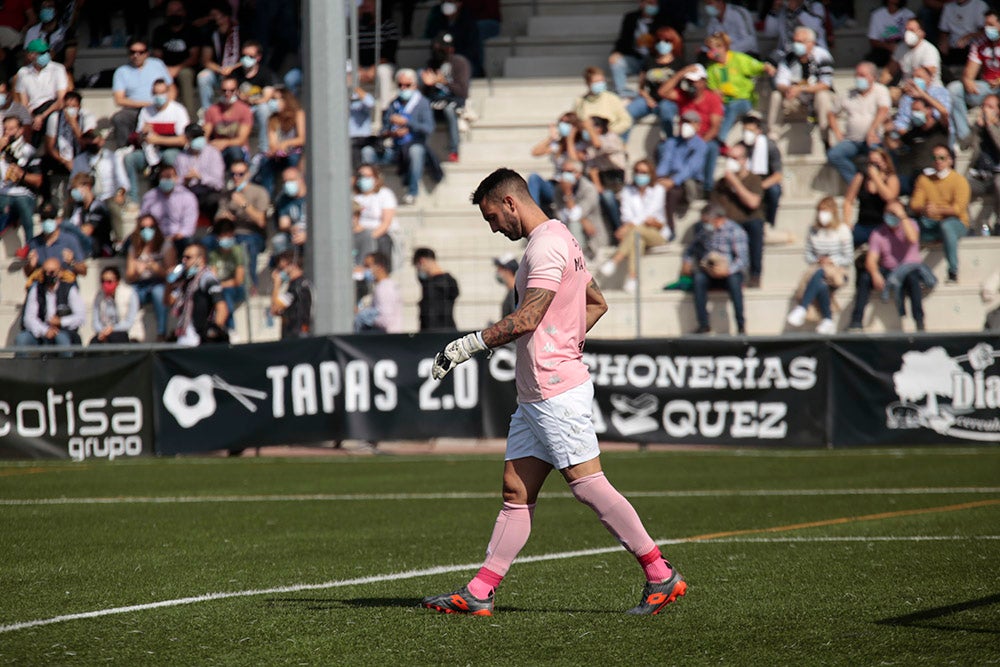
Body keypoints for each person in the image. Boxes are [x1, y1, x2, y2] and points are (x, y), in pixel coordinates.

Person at [421, 167, 685, 617]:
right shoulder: (562, 236)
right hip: (538, 394)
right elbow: (595, 301)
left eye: (492, 216)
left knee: (588, 486)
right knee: (516, 491)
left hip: (552, 389)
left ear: (510, 202)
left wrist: (467, 345)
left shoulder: (543, 246)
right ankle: (480, 592)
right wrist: (566, 339)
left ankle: (660, 573)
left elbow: (526, 319)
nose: (493, 226)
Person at [361, 68, 443, 206]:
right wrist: (391, 132)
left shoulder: (422, 103)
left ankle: (412, 192)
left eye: (407, 85)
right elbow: (383, 129)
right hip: (394, 147)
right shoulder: (394, 103)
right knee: (367, 152)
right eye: (400, 85)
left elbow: (428, 128)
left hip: (414, 144)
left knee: (415, 151)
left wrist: (408, 123)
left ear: (414, 85)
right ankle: (372, 189)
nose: (403, 88)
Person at [848, 199, 931, 331]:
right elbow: (871, 259)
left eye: (894, 212)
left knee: (913, 279)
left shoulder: (911, 225)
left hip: (910, 269)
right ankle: (856, 321)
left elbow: (913, 238)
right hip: (889, 270)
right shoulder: (878, 232)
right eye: (889, 212)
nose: (891, 215)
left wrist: (902, 216)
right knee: (865, 278)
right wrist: (875, 274)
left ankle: (919, 322)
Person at [703, 32, 771, 188]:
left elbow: (756, 67)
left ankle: (720, 137)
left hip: (743, 101)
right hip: (724, 104)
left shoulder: (738, 59)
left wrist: (766, 67)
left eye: (714, 48)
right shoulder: (712, 69)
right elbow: (712, 89)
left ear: (723, 47)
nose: (711, 52)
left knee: (734, 106)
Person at [786, 196, 853, 334]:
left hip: (838, 272)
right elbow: (808, 255)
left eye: (826, 211)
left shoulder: (842, 230)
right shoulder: (813, 230)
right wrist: (819, 260)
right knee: (821, 283)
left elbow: (848, 257)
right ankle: (828, 319)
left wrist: (831, 261)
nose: (822, 214)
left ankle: (803, 307)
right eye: (820, 211)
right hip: (818, 268)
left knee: (820, 273)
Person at [599, 159, 668, 294]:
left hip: (657, 233)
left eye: (643, 172)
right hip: (637, 232)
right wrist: (633, 224)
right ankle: (632, 278)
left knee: (635, 231)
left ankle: (615, 260)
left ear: (650, 174)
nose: (640, 175)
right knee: (638, 239)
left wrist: (629, 226)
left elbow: (651, 212)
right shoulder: (628, 191)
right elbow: (626, 215)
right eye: (637, 172)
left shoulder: (658, 190)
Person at [682, 203, 749, 334]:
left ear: (717, 219)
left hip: (729, 271)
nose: (705, 224)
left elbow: (743, 260)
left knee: (735, 282)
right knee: (698, 279)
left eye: (707, 221)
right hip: (709, 270)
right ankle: (703, 324)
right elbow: (691, 249)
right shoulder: (705, 231)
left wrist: (727, 270)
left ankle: (740, 325)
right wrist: (687, 261)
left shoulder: (735, 231)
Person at [123, 79, 190, 206]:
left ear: (168, 93)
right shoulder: (146, 111)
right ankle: (133, 200)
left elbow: (183, 140)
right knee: (130, 159)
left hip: (171, 151)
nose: (159, 97)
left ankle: (176, 194)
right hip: (150, 152)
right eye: (156, 93)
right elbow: (137, 138)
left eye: (162, 93)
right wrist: (142, 134)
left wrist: (158, 139)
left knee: (169, 156)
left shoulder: (178, 110)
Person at [909, 143, 970, 282]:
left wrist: (937, 210)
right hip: (931, 223)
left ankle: (952, 271)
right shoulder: (924, 179)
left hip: (956, 223)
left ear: (950, 160)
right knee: (908, 228)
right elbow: (914, 204)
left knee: (947, 226)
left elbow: (958, 209)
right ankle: (912, 274)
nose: (938, 161)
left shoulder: (959, 181)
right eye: (935, 158)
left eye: (942, 158)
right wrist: (925, 209)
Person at [660, 64, 724, 190]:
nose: (692, 85)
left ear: (703, 82)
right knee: (664, 146)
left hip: (703, 138)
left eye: (695, 81)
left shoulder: (712, 98)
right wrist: (682, 72)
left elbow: (715, 128)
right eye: (689, 81)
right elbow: (662, 92)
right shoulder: (683, 96)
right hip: (683, 138)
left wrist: (699, 143)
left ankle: (706, 187)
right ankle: (666, 178)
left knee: (711, 148)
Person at [766, 26, 835, 146]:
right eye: (795, 41)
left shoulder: (822, 55)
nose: (796, 44)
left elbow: (825, 84)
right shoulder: (789, 57)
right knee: (776, 95)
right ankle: (773, 135)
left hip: (816, 98)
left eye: (800, 42)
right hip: (796, 99)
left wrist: (801, 88)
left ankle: (825, 136)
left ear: (811, 43)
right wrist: (789, 89)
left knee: (823, 96)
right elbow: (780, 83)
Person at [710, 142, 765, 287]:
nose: (732, 162)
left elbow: (753, 203)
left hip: (748, 221)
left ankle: (755, 274)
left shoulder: (754, 179)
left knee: (755, 227)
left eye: (736, 158)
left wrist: (735, 182)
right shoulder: (721, 183)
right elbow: (714, 208)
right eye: (729, 158)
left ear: (744, 160)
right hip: (727, 223)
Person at [826, 62, 892, 183]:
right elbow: (831, 113)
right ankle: (857, 182)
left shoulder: (880, 90)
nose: (858, 78)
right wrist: (837, 132)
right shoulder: (848, 94)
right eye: (857, 75)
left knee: (878, 156)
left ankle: (878, 183)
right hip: (852, 140)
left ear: (873, 77)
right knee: (834, 155)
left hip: (873, 139)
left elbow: (883, 110)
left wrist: (872, 130)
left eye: (862, 75)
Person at [948, 10, 1000, 148]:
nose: (988, 28)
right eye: (985, 25)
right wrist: (967, 80)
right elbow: (969, 74)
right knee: (954, 89)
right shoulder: (981, 43)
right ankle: (965, 137)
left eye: (991, 24)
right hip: (987, 88)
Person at [214, 159, 271, 285]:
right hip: (230, 234)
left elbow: (261, 221)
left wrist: (244, 204)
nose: (236, 177)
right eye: (233, 174)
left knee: (247, 243)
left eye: (240, 174)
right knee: (207, 242)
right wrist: (224, 217)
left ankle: (251, 284)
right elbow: (218, 218)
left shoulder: (259, 192)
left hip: (253, 235)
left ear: (248, 174)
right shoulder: (227, 194)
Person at [110, 38, 173, 149]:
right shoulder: (121, 71)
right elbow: (119, 99)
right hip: (135, 110)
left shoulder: (157, 64)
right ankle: (124, 150)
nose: (136, 55)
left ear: (147, 53)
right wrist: (146, 104)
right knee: (119, 118)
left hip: (159, 106)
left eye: (141, 52)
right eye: (133, 52)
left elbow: (171, 87)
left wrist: (168, 104)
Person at [885, 89, 950, 194]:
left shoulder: (940, 127)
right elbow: (894, 145)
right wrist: (887, 133)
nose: (915, 114)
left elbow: (944, 112)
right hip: (917, 176)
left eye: (918, 110)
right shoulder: (914, 131)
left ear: (929, 110)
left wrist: (923, 95)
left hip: (936, 175)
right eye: (913, 111)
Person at [15, 256, 84, 354]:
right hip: (42, 331)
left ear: (60, 273)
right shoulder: (36, 289)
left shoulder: (69, 289)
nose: (48, 275)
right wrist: (45, 331)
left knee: (61, 338)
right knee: (21, 339)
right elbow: (29, 318)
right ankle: (22, 368)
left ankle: (66, 368)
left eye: (52, 272)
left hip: (64, 331)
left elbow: (80, 317)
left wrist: (60, 322)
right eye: (45, 272)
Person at [166, 242, 229, 346]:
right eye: (183, 257)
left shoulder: (207, 278)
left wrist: (211, 334)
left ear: (201, 259)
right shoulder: (187, 281)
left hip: (199, 339)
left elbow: (222, 308)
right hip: (186, 336)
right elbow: (169, 301)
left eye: (188, 257)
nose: (183, 261)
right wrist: (169, 280)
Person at [656, 110, 708, 235]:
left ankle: (670, 229)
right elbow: (665, 162)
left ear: (697, 125)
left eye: (690, 122)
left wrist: (672, 181)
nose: (685, 125)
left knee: (673, 192)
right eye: (683, 122)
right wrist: (659, 178)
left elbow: (691, 168)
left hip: (691, 182)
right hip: (671, 178)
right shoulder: (671, 142)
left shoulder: (700, 145)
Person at [421, 32, 470, 163]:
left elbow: (463, 92)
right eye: (437, 48)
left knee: (449, 110)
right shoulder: (431, 64)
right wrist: (426, 85)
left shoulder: (459, 63)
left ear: (451, 49)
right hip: (435, 101)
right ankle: (424, 150)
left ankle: (454, 150)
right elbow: (425, 94)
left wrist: (444, 81)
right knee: (423, 109)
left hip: (453, 101)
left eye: (443, 48)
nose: (439, 51)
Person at [126, 214, 176, 341]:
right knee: (129, 294)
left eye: (151, 227)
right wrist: (138, 272)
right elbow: (129, 276)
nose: (147, 231)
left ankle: (161, 333)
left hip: (159, 283)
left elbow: (173, 275)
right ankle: (129, 333)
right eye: (143, 228)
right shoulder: (134, 248)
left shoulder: (165, 246)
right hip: (140, 284)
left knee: (159, 292)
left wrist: (156, 268)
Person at [625, 25, 682, 136]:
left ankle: (670, 142)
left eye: (666, 41)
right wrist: (648, 99)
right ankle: (621, 144)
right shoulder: (649, 61)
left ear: (674, 42)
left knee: (666, 110)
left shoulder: (680, 64)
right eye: (659, 41)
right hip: (649, 100)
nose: (662, 44)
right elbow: (641, 86)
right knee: (627, 112)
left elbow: (681, 89)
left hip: (669, 102)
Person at [526, 111, 586, 213]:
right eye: (561, 122)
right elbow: (535, 152)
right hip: (555, 185)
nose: (563, 125)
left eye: (567, 123)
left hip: (571, 187)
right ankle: (533, 212)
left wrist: (570, 140)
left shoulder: (581, 145)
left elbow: (575, 163)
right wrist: (550, 138)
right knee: (534, 178)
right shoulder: (558, 146)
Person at [151, 0, 201, 120]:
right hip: (164, 69)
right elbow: (157, 56)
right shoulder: (159, 31)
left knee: (185, 74)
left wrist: (177, 68)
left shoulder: (192, 30)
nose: (174, 14)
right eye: (171, 12)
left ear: (184, 12)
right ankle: (156, 117)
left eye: (177, 11)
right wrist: (165, 70)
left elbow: (194, 57)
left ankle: (190, 119)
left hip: (185, 68)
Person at [42, 90, 95, 205]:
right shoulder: (55, 117)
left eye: (73, 106)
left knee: (85, 167)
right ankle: (47, 202)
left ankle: (83, 200)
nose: (70, 109)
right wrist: (64, 161)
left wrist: (73, 124)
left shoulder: (86, 116)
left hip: (80, 155)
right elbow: (50, 147)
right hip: (61, 158)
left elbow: (86, 143)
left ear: (79, 106)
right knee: (43, 163)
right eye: (67, 106)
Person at [843, 147, 901, 246]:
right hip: (863, 224)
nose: (875, 166)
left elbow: (889, 198)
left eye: (877, 162)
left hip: (883, 225)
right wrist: (847, 223)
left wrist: (876, 178)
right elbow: (848, 200)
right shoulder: (861, 177)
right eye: (872, 163)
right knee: (846, 240)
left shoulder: (891, 178)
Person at [607, 0, 668, 96]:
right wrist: (616, 52)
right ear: (642, 3)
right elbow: (623, 39)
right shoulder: (631, 18)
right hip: (636, 58)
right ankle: (621, 92)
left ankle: (655, 94)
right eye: (650, 3)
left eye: (655, 3)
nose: (653, 6)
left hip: (655, 60)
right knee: (616, 62)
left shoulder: (664, 20)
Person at [578, 116, 627, 231]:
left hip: (618, 178)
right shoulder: (588, 144)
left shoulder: (611, 137)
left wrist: (589, 128)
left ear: (598, 128)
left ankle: (620, 229)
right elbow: (591, 165)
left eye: (590, 127)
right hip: (604, 180)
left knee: (609, 197)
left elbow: (599, 145)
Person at [0, 115, 43, 246]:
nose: (7, 133)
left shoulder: (29, 151)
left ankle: (30, 246)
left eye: (11, 129)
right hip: (3, 193)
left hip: (23, 193)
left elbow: (38, 180)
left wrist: (21, 174)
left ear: (20, 131)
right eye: (5, 129)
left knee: (23, 206)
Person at [14, 38, 68, 139]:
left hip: (51, 109)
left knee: (53, 119)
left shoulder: (58, 69)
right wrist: (32, 118)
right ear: (30, 55)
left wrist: (42, 116)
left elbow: (61, 99)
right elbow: (23, 102)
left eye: (47, 52)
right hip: (32, 112)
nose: (45, 55)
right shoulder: (23, 72)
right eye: (41, 53)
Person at [879, 17, 942, 102]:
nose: (907, 33)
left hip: (929, 92)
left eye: (912, 30)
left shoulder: (929, 50)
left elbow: (926, 78)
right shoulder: (900, 48)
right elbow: (890, 71)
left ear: (921, 33)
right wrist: (878, 87)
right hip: (907, 90)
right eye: (906, 30)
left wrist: (903, 89)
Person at [140, 163, 199, 253]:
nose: (166, 180)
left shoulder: (187, 197)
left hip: (178, 238)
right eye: (163, 177)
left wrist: (172, 238)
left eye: (169, 177)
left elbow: (188, 228)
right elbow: (143, 219)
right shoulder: (150, 196)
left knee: (188, 242)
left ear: (176, 178)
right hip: (155, 237)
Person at [551, 158, 603, 259]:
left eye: (569, 172)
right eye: (563, 171)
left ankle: (578, 258)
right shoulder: (558, 190)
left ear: (579, 174)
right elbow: (562, 216)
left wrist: (568, 193)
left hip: (592, 236)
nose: (565, 175)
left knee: (574, 223)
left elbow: (576, 215)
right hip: (568, 231)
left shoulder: (589, 189)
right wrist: (582, 220)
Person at [234, 40, 280, 154]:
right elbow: (229, 91)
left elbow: (266, 97)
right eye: (243, 55)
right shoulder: (236, 73)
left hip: (256, 108)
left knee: (265, 108)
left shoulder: (265, 73)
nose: (246, 59)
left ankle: (264, 149)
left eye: (250, 56)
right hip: (239, 108)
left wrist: (248, 99)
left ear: (258, 57)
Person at [174, 123, 225, 221]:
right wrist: (186, 180)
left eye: (199, 136)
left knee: (213, 200)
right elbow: (177, 181)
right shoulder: (181, 157)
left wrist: (200, 177)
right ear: (187, 139)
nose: (198, 139)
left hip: (209, 192)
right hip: (189, 192)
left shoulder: (213, 153)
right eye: (193, 137)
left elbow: (218, 183)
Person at [741, 112, 784, 227]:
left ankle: (770, 223)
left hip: (764, 182)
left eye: (751, 130)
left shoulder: (770, 147)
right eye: (745, 130)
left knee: (774, 190)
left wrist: (760, 186)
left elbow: (778, 175)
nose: (747, 134)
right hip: (746, 182)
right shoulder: (740, 147)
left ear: (758, 131)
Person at [197, 3, 241, 112]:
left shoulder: (240, 32)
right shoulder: (211, 33)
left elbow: (247, 57)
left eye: (216, 15)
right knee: (203, 76)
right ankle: (207, 112)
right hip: (219, 73)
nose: (214, 19)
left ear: (226, 16)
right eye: (211, 16)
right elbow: (206, 60)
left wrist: (232, 67)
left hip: (239, 72)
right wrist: (221, 69)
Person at [23, 202, 86, 278]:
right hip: (43, 284)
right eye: (44, 218)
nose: (47, 221)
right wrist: (31, 265)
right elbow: (27, 274)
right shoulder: (34, 242)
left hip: (64, 283)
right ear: (40, 220)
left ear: (58, 220)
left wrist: (72, 262)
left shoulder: (70, 240)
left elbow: (83, 271)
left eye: (51, 218)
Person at [967, 93, 1000, 235]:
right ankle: (969, 225)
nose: (986, 110)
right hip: (979, 176)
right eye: (984, 106)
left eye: (990, 107)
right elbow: (964, 144)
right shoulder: (978, 127)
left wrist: (990, 126)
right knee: (961, 185)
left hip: (997, 175)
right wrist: (977, 129)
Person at [203, 75, 253, 167]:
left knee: (234, 149)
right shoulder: (212, 110)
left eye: (231, 90)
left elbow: (241, 140)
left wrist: (224, 143)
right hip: (218, 149)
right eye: (224, 90)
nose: (227, 93)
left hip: (238, 149)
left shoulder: (244, 110)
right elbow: (205, 134)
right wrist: (210, 144)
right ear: (219, 91)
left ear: (237, 91)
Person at [353, 163, 397, 264]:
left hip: (379, 235)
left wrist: (369, 237)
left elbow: (386, 223)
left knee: (381, 242)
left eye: (368, 176)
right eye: (361, 176)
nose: (364, 179)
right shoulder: (355, 197)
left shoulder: (385, 194)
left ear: (376, 178)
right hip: (359, 234)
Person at [207, 219, 247, 331]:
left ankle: (230, 328)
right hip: (221, 288)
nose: (225, 238)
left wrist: (220, 285)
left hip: (239, 289)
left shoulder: (238, 251)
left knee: (225, 294)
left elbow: (238, 280)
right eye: (222, 235)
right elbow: (213, 277)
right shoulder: (214, 254)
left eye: (227, 235)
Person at [65, 172, 114, 258]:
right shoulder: (79, 208)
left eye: (76, 188)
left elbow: (87, 231)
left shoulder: (98, 206)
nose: (74, 192)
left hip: (99, 246)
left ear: (87, 186)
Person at [574, 67, 632, 137]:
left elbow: (626, 121)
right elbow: (575, 121)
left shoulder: (612, 98)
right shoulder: (580, 101)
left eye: (601, 81)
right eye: (596, 82)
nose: (599, 84)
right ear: (588, 83)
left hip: (608, 138)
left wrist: (610, 131)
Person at [762, 0, 828, 62]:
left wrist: (796, 9)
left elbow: (814, 27)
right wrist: (774, 10)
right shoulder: (783, 9)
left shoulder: (814, 5)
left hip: (813, 53)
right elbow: (770, 33)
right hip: (787, 54)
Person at [413, 246, 459, 331]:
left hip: (433, 335)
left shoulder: (431, 285)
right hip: (449, 330)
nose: (418, 270)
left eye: (417, 266)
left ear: (421, 261)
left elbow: (429, 315)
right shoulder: (449, 281)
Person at [355, 250, 403, 333]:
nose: (364, 269)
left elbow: (386, 319)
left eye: (367, 266)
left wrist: (363, 315)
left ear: (379, 267)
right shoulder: (385, 286)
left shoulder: (385, 288)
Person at [90, 266, 140, 344]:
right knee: (93, 343)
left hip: (126, 333)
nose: (106, 284)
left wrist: (113, 329)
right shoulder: (99, 296)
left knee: (115, 338)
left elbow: (130, 321)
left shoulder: (129, 293)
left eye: (109, 281)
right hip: (105, 333)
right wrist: (103, 331)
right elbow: (95, 321)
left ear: (118, 281)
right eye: (103, 281)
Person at [270, 249, 313, 339]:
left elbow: (274, 309)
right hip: (302, 331)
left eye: (282, 269)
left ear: (292, 266)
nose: (280, 272)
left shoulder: (296, 287)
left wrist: (276, 284)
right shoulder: (305, 283)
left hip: (295, 334)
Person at [865, 0, 916, 68]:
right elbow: (873, 40)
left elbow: (914, 38)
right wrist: (889, 46)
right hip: (883, 49)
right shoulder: (877, 14)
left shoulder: (909, 15)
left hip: (904, 48)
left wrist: (899, 47)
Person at [937, 0, 989, 66]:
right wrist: (943, 44)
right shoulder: (948, 7)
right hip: (953, 48)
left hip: (973, 48)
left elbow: (985, 31)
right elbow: (944, 31)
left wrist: (969, 36)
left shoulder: (980, 5)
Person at [273, 166, 307, 258]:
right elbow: (284, 224)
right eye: (285, 181)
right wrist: (292, 228)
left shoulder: (312, 196)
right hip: (295, 235)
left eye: (291, 180)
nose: (288, 184)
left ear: (301, 179)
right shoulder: (283, 200)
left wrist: (308, 234)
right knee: (279, 241)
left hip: (313, 233)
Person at [493, 254, 518, 319]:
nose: (497, 271)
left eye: (500, 268)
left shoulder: (515, 294)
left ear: (508, 270)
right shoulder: (512, 292)